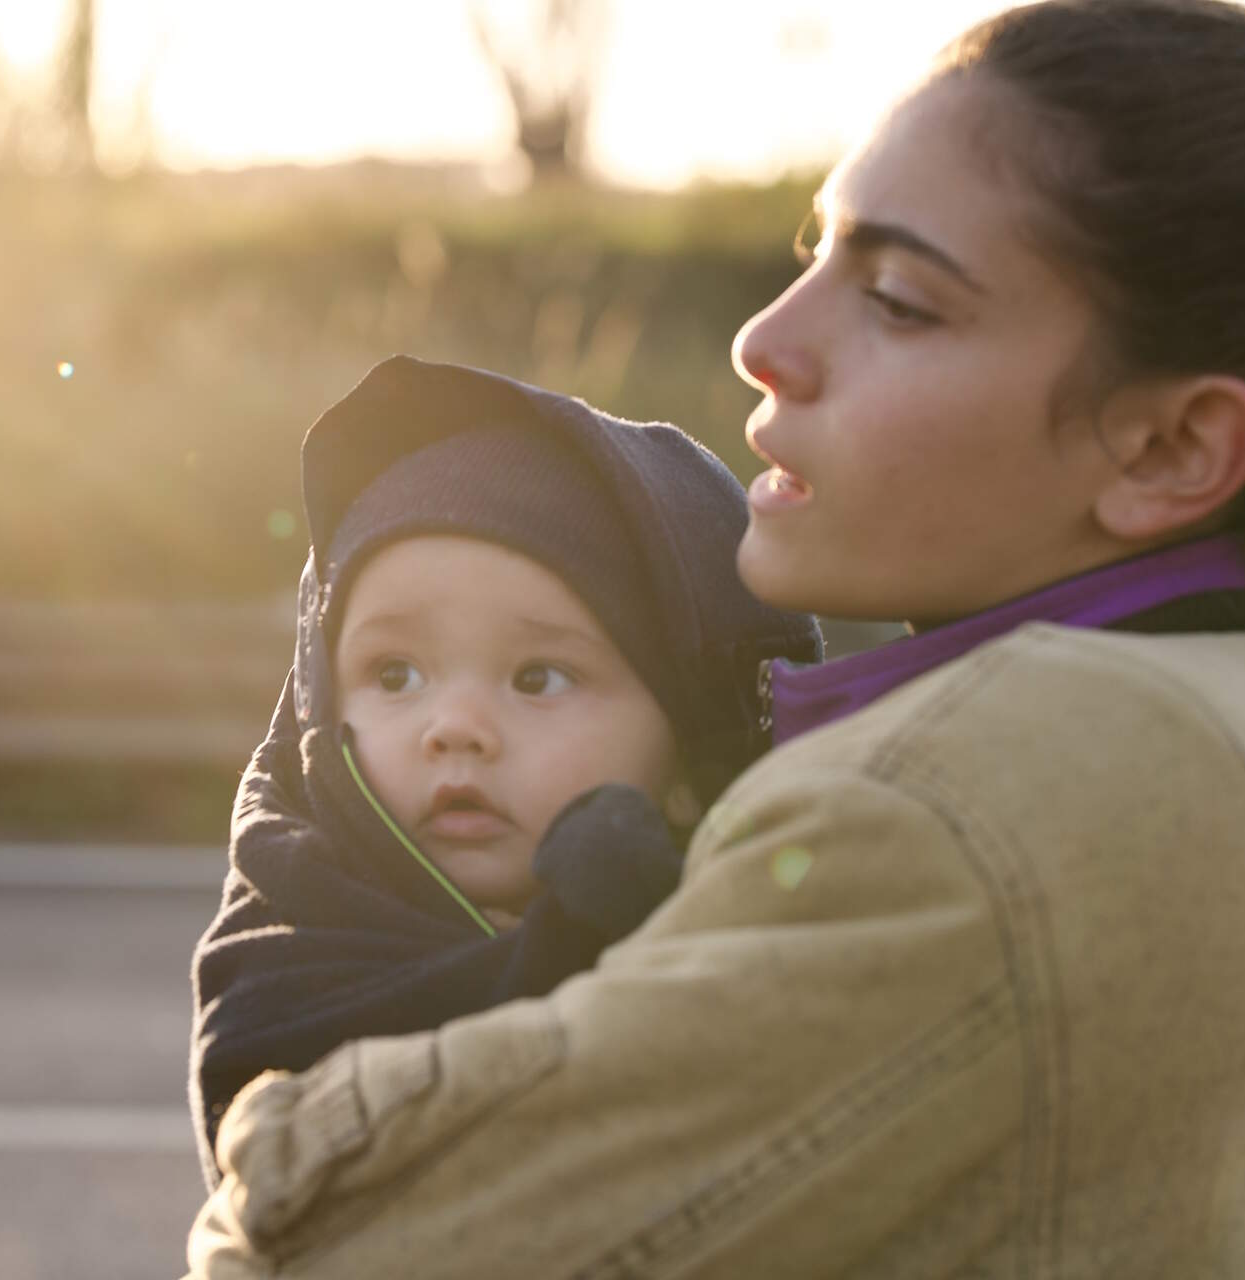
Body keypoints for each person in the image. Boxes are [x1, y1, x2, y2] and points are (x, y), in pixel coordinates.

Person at [187, 2, 1245, 1274]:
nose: (765, 341)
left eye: (898, 299)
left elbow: (314, 1241)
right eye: (815, 252)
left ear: (1174, 446)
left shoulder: (966, 808)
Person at [187, 356, 822, 1186]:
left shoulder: (779, 939)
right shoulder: (292, 951)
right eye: (394, 675)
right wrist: (580, 938)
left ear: (691, 743)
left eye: (537, 678)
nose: (455, 729)